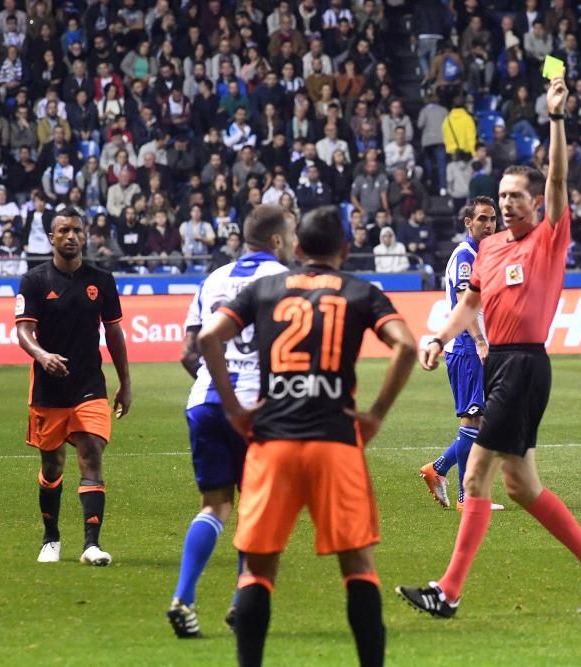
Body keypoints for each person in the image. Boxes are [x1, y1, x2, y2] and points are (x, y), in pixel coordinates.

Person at [397, 77, 581, 618]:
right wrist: (438, 337)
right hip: (498, 362)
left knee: (475, 475)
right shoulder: (490, 248)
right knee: (521, 487)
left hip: (524, 364)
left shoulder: (548, 235)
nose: (505, 203)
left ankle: (447, 592)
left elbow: (560, 179)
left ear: (534, 201)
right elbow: (470, 304)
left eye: (515, 195)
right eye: (500, 196)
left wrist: (556, 118)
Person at [196, 205, 418, 667]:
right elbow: (407, 345)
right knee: (357, 566)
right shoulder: (361, 291)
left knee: (258, 571)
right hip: (335, 442)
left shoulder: (265, 288)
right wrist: (375, 413)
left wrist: (235, 408)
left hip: (272, 443)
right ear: (346, 249)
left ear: (297, 250)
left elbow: (207, 338)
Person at [167, 205, 297, 638]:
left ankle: (183, 598)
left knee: (214, 506)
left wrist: (219, 389)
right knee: (256, 509)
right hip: (258, 409)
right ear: (277, 240)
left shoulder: (214, 279)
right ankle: (244, 599)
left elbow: (190, 351)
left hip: (206, 402)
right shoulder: (285, 281)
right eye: (291, 234)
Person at [14, 207, 132, 566]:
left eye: (76, 230)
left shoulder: (102, 280)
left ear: (84, 236)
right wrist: (41, 353)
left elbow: (113, 331)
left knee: (91, 455)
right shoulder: (34, 281)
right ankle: (51, 538)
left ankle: (91, 544)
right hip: (48, 391)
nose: (71, 236)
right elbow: (23, 330)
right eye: (63, 230)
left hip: (89, 386)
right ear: (51, 237)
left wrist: (125, 382)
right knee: (52, 466)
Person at [417, 197, 504, 511]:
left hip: (477, 347)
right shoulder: (465, 256)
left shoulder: (485, 255)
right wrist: (480, 340)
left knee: (480, 422)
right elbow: (461, 306)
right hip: (467, 347)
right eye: (482, 219)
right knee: (473, 419)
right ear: (468, 222)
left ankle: (438, 469)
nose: (489, 224)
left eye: (492, 219)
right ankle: (467, 497)